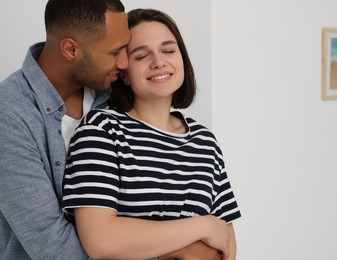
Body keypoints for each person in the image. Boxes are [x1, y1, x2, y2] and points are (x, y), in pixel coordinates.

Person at [0, 1, 218, 259]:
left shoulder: (112, 93)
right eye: (116, 51)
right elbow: (52, 247)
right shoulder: (10, 114)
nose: (125, 62)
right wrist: (173, 253)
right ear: (71, 49)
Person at [62, 8, 241, 260]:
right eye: (141, 55)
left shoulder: (204, 141)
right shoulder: (102, 130)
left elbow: (226, 244)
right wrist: (203, 226)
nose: (158, 62)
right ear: (123, 73)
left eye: (168, 50)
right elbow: (101, 240)